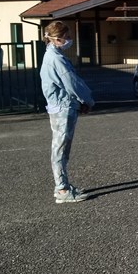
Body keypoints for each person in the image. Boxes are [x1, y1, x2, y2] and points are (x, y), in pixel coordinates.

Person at [39, 21, 95, 204]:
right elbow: (71, 82)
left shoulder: (53, 55)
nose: (69, 40)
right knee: (60, 148)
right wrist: (87, 100)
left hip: (61, 106)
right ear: (57, 38)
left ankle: (63, 186)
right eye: (67, 36)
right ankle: (62, 189)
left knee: (61, 148)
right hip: (63, 107)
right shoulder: (56, 58)